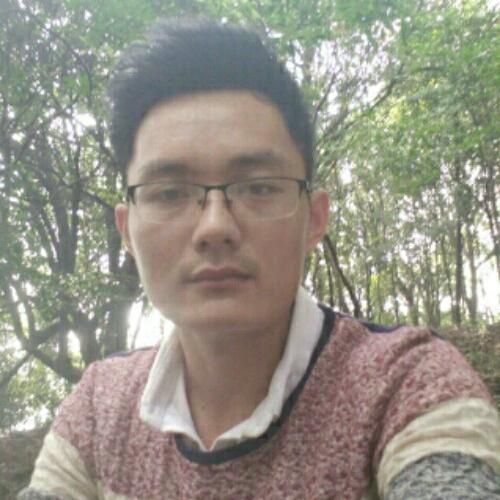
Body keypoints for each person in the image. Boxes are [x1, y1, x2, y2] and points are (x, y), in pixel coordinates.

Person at [20, 17, 499, 500]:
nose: (214, 228)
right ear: (127, 230)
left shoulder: (405, 385)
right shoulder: (99, 409)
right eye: (169, 193)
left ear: (314, 219)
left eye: (259, 188)